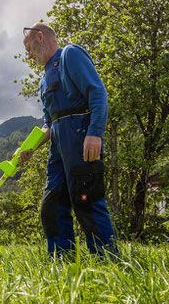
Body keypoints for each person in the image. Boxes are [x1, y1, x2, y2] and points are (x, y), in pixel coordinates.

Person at [20, 22, 118, 257]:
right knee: (51, 204)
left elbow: (97, 92)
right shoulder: (44, 79)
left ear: (40, 37)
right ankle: (60, 259)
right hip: (58, 147)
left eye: (29, 48)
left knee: (87, 200)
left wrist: (95, 133)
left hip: (81, 137)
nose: (29, 56)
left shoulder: (70, 55)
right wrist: (28, 147)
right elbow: (48, 123)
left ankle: (107, 259)